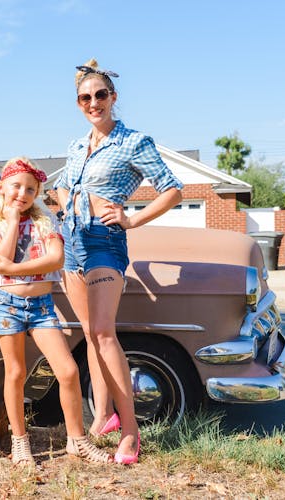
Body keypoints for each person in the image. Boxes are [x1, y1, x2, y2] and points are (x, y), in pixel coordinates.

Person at [54, 59, 184, 464]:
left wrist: (131, 218)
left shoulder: (133, 141)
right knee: (90, 334)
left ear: (113, 97)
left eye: (100, 95)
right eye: (85, 97)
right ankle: (103, 416)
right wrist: (65, 208)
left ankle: (131, 431)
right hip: (71, 241)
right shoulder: (78, 145)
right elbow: (60, 185)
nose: (94, 103)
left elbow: (172, 189)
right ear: (78, 103)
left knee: (105, 333)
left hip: (104, 240)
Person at [0, 157, 112, 465]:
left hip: (41, 307)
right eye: (16, 186)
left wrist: (16, 267)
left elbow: (55, 260)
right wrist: (12, 222)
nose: (22, 194)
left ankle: (77, 440)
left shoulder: (46, 221)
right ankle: (20, 440)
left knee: (67, 370)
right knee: (15, 373)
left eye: (30, 188)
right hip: (6, 305)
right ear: (2, 188)